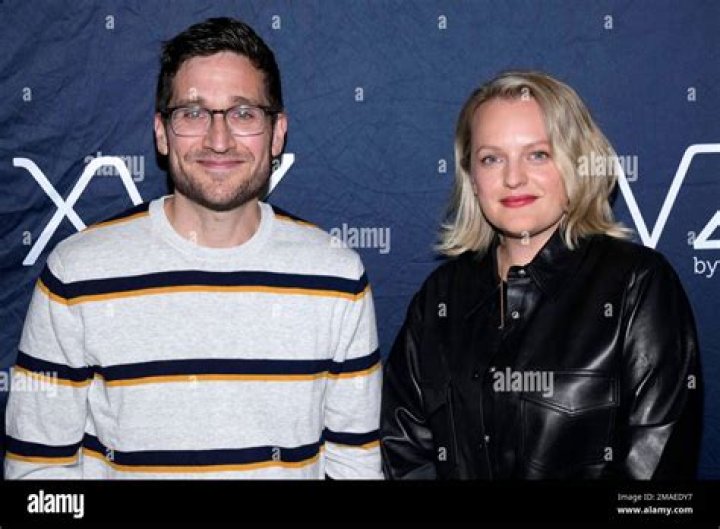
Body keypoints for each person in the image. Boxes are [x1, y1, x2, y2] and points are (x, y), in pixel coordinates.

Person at [5, 17, 381, 479]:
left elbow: (354, 467)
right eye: (193, 113)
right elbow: (37, 477)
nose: (218, 140)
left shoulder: (337, 279)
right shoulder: (77, 274)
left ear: (277, 132)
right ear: (162, 133)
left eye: (243, 113)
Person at [380, 70, 701, 479]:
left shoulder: (637, 286)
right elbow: (404, 453)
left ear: (577, 162)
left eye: (538, 155)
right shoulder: (441, 296)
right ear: (472, 178)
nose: (513, 178)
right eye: (491, 158)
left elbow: (656, 472)